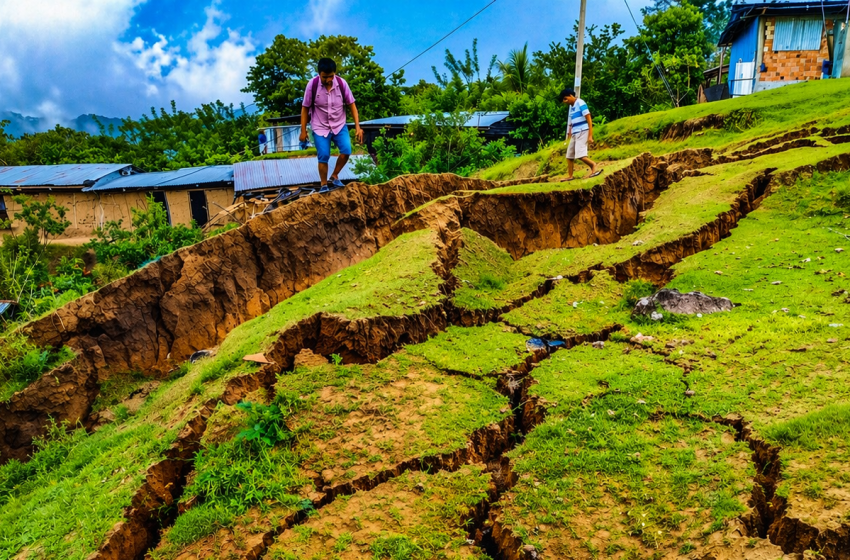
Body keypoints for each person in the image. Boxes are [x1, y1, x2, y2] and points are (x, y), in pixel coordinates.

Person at [299, 58, 364, 191]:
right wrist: (303, 131)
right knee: (324, 155)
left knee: (346, 150)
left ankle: (334, 176)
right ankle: (324, 184)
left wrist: (358, 127)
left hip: (339, 124)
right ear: (319, 74)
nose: (328, 79)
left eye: (331, 76)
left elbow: (352, 105)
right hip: (320, 125)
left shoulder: (341, 83)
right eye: (325, 77)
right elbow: (305, 108)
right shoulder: (312, 85)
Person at [561, 88, 601, 181]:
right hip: (575, 133)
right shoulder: (572, 107)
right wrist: (570, 134)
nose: (565, 102)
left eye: (565, 99)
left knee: (580, 155)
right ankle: (570, 176)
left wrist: (590, 135)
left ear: (571, 95)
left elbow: (588, 118)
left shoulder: (580, 103)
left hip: (582, 131)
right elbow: (573, 122)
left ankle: (593, 165)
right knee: (569, 156)